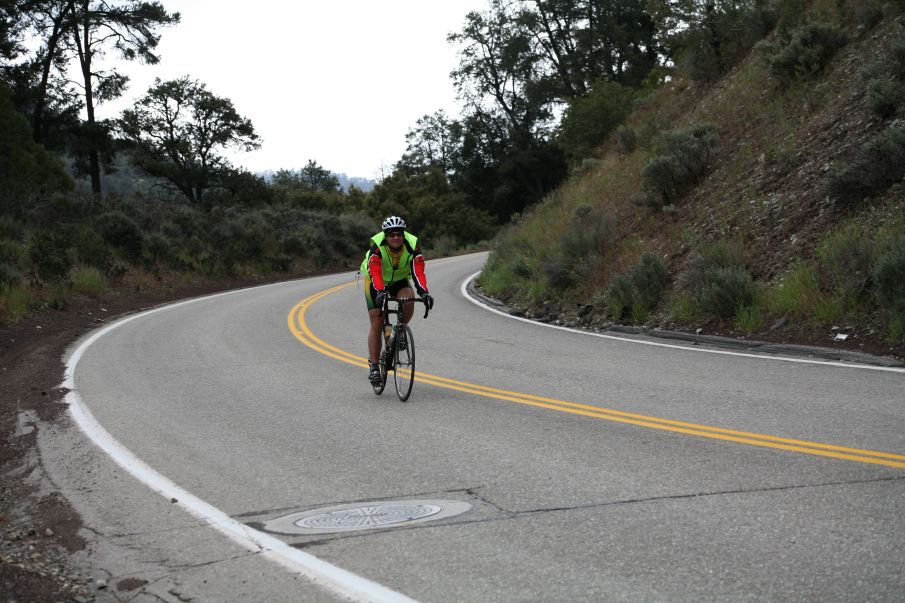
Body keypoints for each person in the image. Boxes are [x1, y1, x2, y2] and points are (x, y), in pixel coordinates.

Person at [361, 216, 434, 385]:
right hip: (375, 281)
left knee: (408, 299)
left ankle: (398, 330)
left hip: (399, 280)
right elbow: (375, 272)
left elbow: (418, 272)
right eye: (392, 235)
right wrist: (380, 292)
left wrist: (424, 293)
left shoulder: (412, 246)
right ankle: (374, 367)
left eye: (399, 234)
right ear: (386, 236)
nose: (396, 237)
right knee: (377, 319)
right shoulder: (377, 248)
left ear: (403, 235)